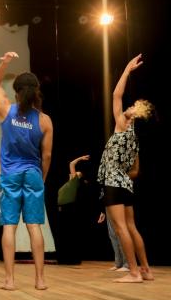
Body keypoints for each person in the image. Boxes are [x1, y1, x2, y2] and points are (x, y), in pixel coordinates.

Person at [0, 51, 53, 290]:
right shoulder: (45, 120)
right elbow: (46, 156)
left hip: (10, 175)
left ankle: (9, 280)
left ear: (16, 92)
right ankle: (40, 280)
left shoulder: (6, 110)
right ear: (37, 91)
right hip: (33, 174)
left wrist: (5, 62)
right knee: (34, 226)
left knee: (9, 226)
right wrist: (42, 178)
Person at [97, 53, 154, 283]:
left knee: (121, 228)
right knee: (131, 226)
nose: (127, 107)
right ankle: (146, 270)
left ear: (135, 114)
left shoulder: (123, 125)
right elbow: (134, 169)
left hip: (114, 182)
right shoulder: (134, 138)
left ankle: (133, 272)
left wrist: (127, 70)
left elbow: (116, 95)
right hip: (126, 183)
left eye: (132, 107)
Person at [56, 155, 103, 265]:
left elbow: (71, 164)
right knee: (64, 235)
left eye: (77, 173)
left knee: (70, 234)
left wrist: (80, 159)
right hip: (63, 210)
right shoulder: (69, 183)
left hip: (69, 209)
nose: (75, 173)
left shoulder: (75, 181)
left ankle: (72, 258)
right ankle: (64, 258)